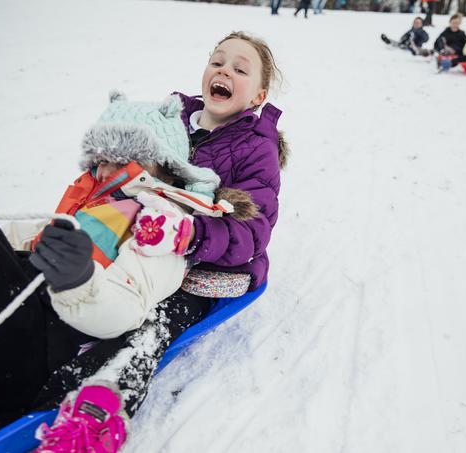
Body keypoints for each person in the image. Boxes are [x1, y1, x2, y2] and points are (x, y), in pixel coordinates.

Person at [0, 93, 259, 449]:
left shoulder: (160, 224)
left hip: (44, 350)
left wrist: (79, 279)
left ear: (157, 164)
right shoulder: (100, 205)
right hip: (20, 324)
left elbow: (127, 312)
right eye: (97, 161)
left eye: (112, 160)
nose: (99, 172)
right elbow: (23, 235)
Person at [34, 31, 287, 452]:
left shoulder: (256, 149)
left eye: (240, 69)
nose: (224, 70)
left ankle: (96, 410)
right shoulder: (167, 120)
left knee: (152, 323)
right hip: (134, 239)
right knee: (74, 276)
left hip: (202, 265)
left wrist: (191, 234)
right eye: (217, 61)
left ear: (258, 94)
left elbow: (252, 229)